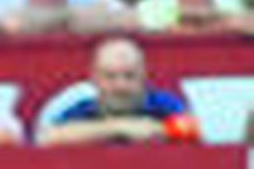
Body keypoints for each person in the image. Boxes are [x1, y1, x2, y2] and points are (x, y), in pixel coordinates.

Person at [37, 35, 198, 147]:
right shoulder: (82, 109)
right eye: (110, 77)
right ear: (95, 79)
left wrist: (160, 130)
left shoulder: (163, 104)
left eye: (129, 76)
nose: (121, 86)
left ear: (144, 76)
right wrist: (119, 127)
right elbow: (46, 138)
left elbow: (191, 129)